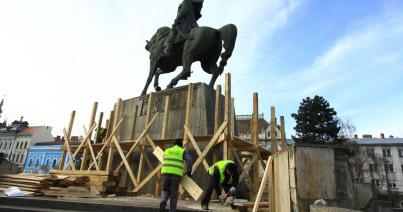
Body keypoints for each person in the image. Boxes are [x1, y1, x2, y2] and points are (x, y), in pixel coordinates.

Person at [160, 139, 193, 212]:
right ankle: (172, 210)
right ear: (181, 145)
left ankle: (163, 201)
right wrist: (189, 171)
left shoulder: (167, 150)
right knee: (174, 194)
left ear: (174, 144)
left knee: (165, 190)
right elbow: (190, 160)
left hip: (165, 173)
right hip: (176, 175)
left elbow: (164, 159)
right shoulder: (182, 151)